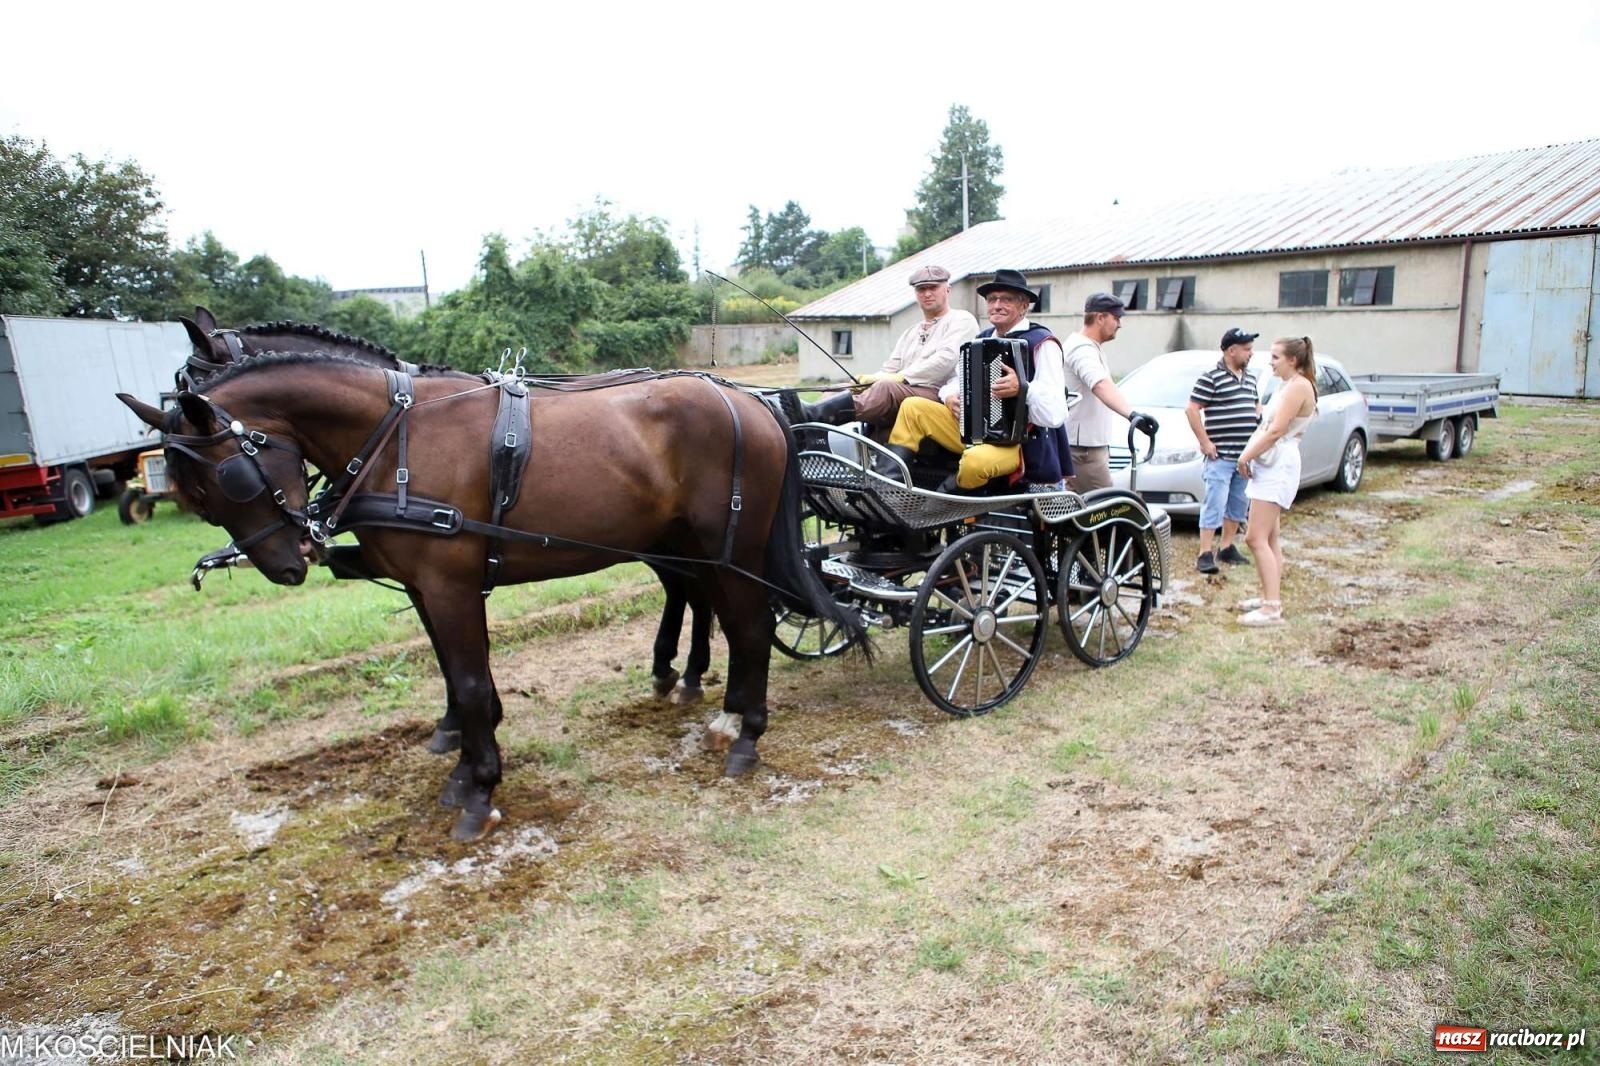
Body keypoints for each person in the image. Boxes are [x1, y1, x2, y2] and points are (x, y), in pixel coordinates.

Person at [884, 271, 1153, 493]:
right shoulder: (980, 340)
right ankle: (890, 488)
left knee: (976, 462)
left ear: (1024, 306)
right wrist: (949, 395)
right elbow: (956, 380)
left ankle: (941, 500)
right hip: (975, 432)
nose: (997, 305)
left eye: (1006, 299)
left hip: (1020, 446)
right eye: (992, 299)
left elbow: (1056, 413)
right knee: (913, 407)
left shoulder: (1041, 343)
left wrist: (1023, 388)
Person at [799, 264, 978, 429]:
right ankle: (805, 425)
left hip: (940, 393)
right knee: (843, 387)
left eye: (933, 287)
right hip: (904, 392)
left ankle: (814, 417)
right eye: (921, 289)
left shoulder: (961, 320)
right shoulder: (911, 332)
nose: (927, 293)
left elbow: (944, 361)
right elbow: (890, 368)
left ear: (947, 289)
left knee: (885, 387)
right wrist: (864, 381)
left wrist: (901, 377)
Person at [1234, 335, 1319, 626]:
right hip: (1273, 462)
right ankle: (1270, 596)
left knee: (1254, 537)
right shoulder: (1287, 385)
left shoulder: (1299, 387)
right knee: (1269, 537)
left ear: (1293, 360)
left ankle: (1272, 609)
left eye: (1275, 357)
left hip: (1278, 464)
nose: (1269, 362)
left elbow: (1275, 431)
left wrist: (1245, 457)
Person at [1058, 292, 1151, 492]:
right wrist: (1132, 415)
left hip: (1085, 448)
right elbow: (1100, 384)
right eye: (1116, 318)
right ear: (1100, 318)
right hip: (1083, 451)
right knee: (1106, 510)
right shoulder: (1082, 349)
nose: (1119, 324)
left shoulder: (1089, 347)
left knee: (1079, 513)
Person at [1187, 327, 1261, 574]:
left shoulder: (1250, 377)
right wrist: (1204, 441)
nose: (1251, 354)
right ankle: (1205, 552)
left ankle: (1227, 547)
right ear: (1232, 350)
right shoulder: (1211, 377)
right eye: (1247, 349)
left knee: (1238, 504)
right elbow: (1192, 409)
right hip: (1221, 456)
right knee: (1214, 503)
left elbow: (1255, 404)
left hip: (1244, 457)